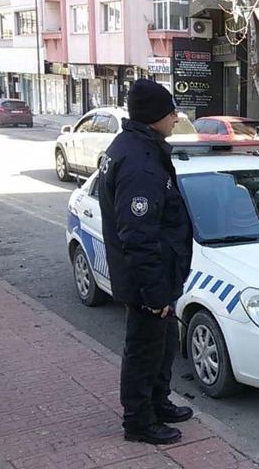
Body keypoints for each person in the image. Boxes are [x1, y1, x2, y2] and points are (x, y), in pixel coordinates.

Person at [98, 79, 194, 445]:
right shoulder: (139, 161)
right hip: (146, 281)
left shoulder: (141, 146)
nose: (175, 118)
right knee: (143, 349)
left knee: (163, 343)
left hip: (158, 276)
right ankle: (139, 421)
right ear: (155, 116)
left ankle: (158, 401)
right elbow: (138, 236)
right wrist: (155, 294)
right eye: (171, 112)